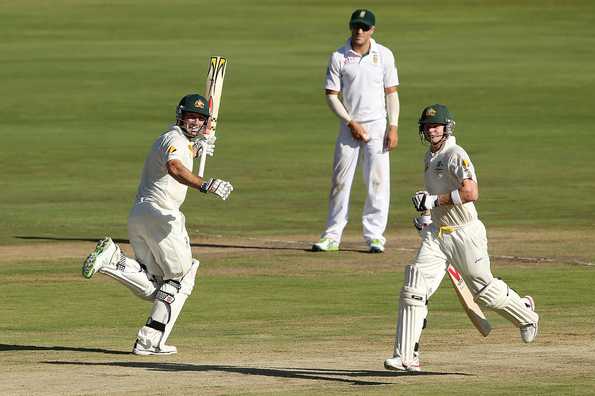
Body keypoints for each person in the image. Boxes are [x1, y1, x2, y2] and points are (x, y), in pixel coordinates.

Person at [384, 104, 539, 371]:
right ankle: (406, 356)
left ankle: (526, 313)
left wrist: (432, 200)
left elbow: (470, 193)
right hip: (437, 236)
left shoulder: (456, 154)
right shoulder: (429, 157)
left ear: (447, 127)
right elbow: (435, 200)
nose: (432, 130)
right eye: (427, 126)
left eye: (436, 126)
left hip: (465, 233)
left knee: (485, 293)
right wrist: (427, 218)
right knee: (414, 289)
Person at [81, 93, 233, 356]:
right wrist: (205, 184)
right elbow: (174, 167)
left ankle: (116, 262)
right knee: (183, 276)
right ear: (180, 116)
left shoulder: (177, 140)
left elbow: (178, 157)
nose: (195, 122)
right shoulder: (174, 139)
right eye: (190, 116)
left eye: (200, 118)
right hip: (161, 215)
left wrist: (196, 149)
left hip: (141, 215)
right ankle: (150, 341)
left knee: (159, 285)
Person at [312, 8, 400, 254]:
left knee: (378, 181)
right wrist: (351, 122)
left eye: (364, 27)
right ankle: (332, 235)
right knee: (340, 181)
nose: (359, 31)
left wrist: (393, 126)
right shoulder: (339, 56)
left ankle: (375, 236)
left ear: (372, 30)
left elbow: (391, 93)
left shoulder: (384, 55)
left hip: (377, 125)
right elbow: (332, 96)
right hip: (348, 126)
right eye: (355, 26)